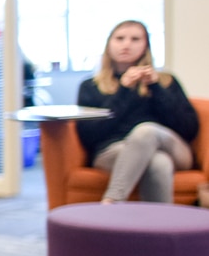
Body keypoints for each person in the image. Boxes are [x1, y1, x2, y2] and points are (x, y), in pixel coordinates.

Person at [75, 19, 198, 204]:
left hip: (173, 148)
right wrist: (124, 91)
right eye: (120, 38)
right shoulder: (90, 86)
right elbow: (89, 135)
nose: (126, 45)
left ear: (146, 45)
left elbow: (189, 128)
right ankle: (159, 230)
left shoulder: (166, 81)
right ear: (109, 44)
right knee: (158, 163)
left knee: (146, 130)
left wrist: (155, 87)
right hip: (113, 151)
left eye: (135, 39)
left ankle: (111, 202)